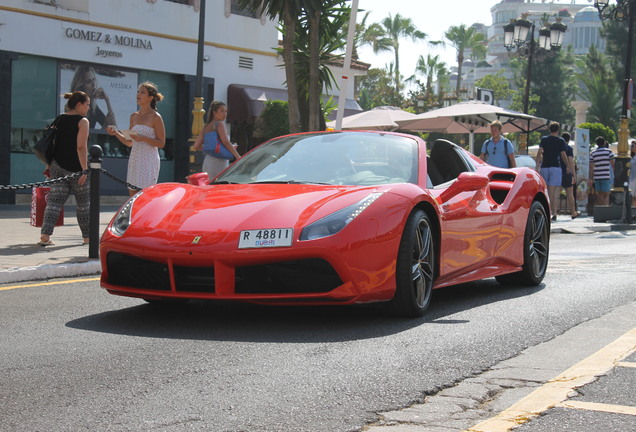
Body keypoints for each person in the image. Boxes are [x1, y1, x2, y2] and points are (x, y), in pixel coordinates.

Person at [38, 91, 90, 246]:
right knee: (83, 204)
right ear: (79, 104)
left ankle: (45, 236)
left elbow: (51, 143)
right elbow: (81, 147)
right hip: (76, 169)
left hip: (57, 166)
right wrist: (84, 170)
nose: (88, 108)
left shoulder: (59, 118)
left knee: (54, 202)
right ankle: (87, 238)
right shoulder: (83, 122)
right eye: (87, 104)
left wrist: (49, 164)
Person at [108, 82, 166, 196]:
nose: (138, 94)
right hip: (135, 158)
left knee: (145, 195)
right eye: (138, 91)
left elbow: (161, 143)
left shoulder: (156, 117)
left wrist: (143, 138)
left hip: (149, 160)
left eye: (142, 92)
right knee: (133, 196)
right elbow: (129, 142)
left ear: (150, 98)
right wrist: (116, 133)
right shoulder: (134, 116)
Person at [193, 100, 241, 178]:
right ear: (214, 112)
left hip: (208, 162)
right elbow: (225, 142)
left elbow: (196, 146)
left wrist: (212, 149)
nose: (225, 114)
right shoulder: (220, 124)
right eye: (222, 111)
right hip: (220, 162)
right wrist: (237, 155)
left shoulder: (206, 126)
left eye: (226, 111)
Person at [536, 122, 570, 221]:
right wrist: (567, 166)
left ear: (549, 129)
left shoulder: (544, 139)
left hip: (545, 166)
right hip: (556, 167)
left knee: (545, 190)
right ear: (558, 130)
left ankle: (546, 211)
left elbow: (539, 152)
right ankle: (554, 212)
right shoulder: (561, 140)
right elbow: (563, 155)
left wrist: (537, 165)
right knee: (555, 191)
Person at [70, 65, 116, 130]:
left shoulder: (93, 108)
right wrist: (104, 126)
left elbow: (114, 129)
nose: (93, 84)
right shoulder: (74, 108)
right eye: (88, 82)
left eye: (93, 79)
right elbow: (81, 135)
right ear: (81, 87)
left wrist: (107, 99)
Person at [588, 136, 615, 206]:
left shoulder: (593, 153)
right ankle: (605, 210)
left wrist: (590, 178)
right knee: (606, 195)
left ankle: (600, 209)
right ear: (604, 143)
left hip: (597, 177)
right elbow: (613, 164)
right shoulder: (609, 152)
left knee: (599, 195)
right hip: (606, 176)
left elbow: (591, 167)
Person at [560, 132, 580, 219]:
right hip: (567, 172)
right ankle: (573, 212)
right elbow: (571, 161)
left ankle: (554, 212)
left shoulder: (558, 148)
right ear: (569, 139)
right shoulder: (569, 149)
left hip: (558, 172)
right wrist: (574, 174)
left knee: (555, 193)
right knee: (570, 194)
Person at [630, 140, 636, 207]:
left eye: (632, 146)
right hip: (632, 178)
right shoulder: (631, 157)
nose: (631, 148)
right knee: (632, 196)